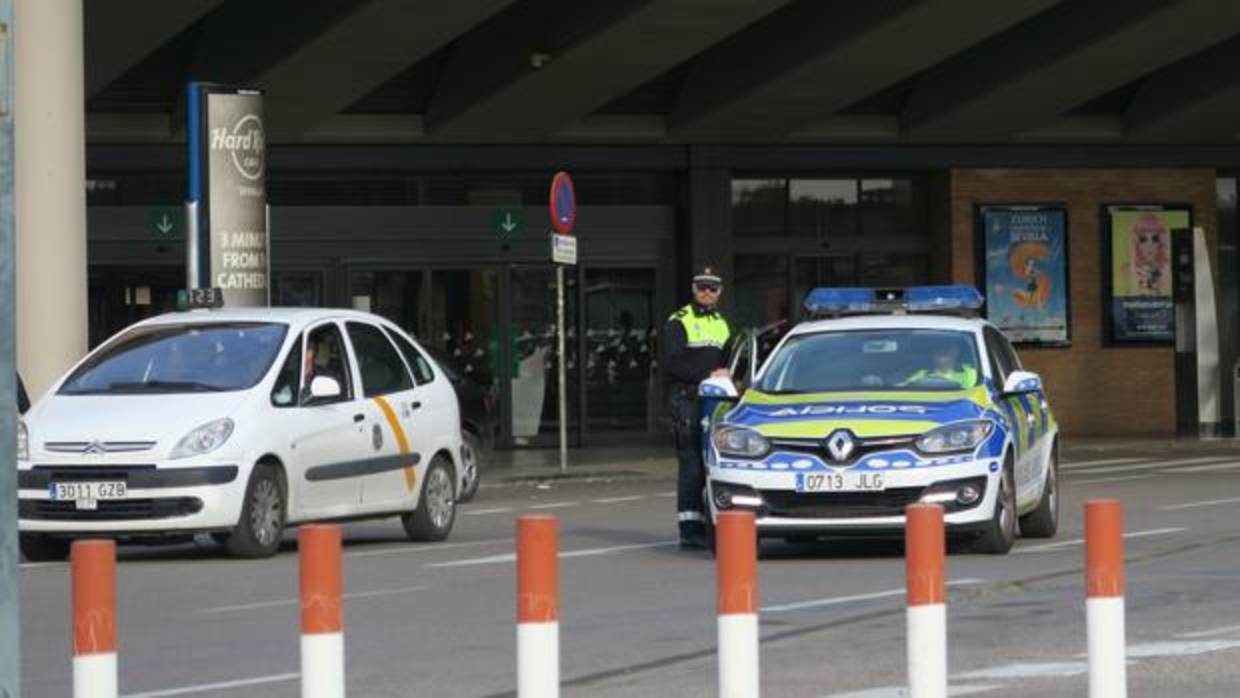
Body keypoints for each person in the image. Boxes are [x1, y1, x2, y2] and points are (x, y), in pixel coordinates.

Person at [661, 264, 732, 549]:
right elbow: (672, 363)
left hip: (714, 400)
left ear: (720, 292)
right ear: (693, 289)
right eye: (701, 287)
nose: (706, 292)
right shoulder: (679, 320)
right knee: (691, 463)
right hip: (687, 399)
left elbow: (725, 363)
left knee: (712, 461)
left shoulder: (722, 323)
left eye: (712, 288)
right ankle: (689, 528)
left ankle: (706, 521)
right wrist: (706, 376)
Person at [901, 342, 977, 390]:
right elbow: (902, 388)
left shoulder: (970, 372)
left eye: (947, 347)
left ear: (956, 351)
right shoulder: (922, 373)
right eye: (938, 347)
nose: (942, 350)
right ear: (932, 354)